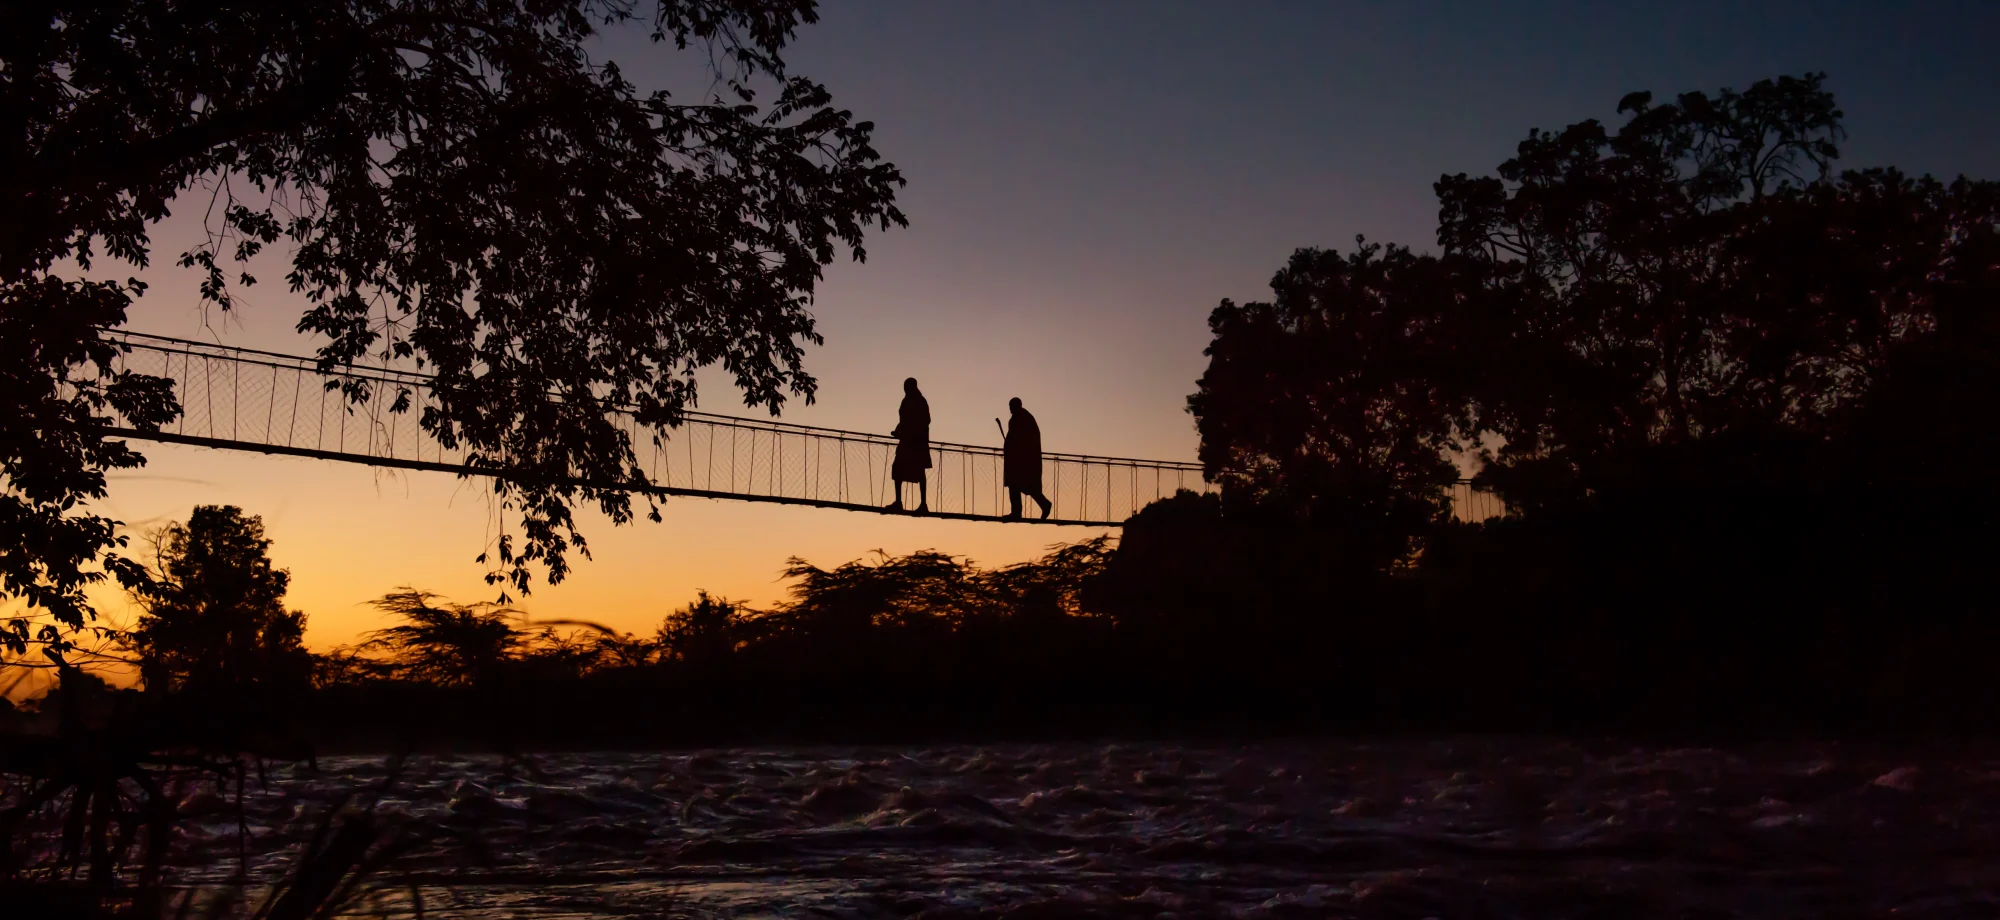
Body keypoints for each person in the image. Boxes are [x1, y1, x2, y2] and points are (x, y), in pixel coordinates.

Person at [1002, 397, 1053, 520]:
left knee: (1016, 483)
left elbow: (1016, 438)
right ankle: (1043, 504)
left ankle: (1017, 512)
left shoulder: (1019, 418)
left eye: (1011, 406)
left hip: (1021, 459)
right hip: (1025, 458)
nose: (1010, 409)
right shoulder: (1026, 417)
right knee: (1025, 485)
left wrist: (1010, 447)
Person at [888, 377, 930, 512]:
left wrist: (912, 430)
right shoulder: (907, 401)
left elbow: (926, 420)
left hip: (916, 443)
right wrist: (898, 430)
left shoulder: (920, 401)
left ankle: (923, 504)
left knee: (919, 471)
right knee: (898, 469)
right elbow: (904, 420)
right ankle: (899, 502)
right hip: (907, 441)